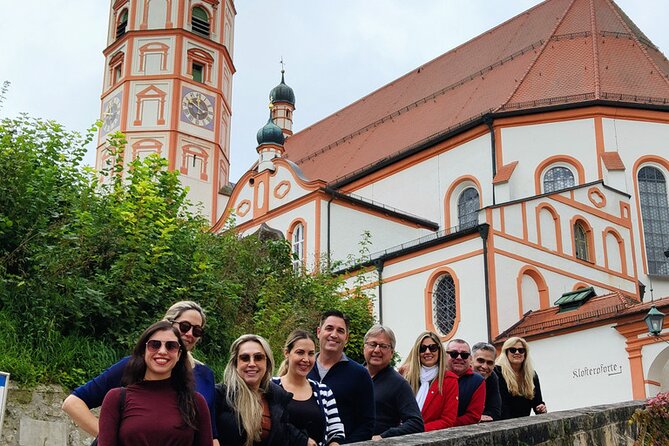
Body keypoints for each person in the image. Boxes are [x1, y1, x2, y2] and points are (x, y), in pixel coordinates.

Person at [62, 301, 218, 444]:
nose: (190, 334)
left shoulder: (205, 377)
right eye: (184, 326)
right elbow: (73, 402)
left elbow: (211, 436)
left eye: (197, 330)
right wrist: (112, 435)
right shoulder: (130, 367)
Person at [98, 320, 212, 445]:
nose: (162, 351)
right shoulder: (116, 398)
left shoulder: (195, 402)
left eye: (171, 346)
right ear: (143, 351)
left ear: (179, 354)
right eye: (155, 345)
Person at [216, 334, 308, 446]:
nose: (252, 364)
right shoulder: (220, 395)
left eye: (258, 357)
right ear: (235, 363)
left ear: (267, 363)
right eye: (245, 358)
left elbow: (286, 434)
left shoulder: (278, 397)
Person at [307, 310, 375, 443]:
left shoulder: (359, 374)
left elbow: (366, 425)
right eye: (329, 328)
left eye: (340, 331)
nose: (334, 335)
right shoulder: (304, 369)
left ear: (346, 337)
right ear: (319, 332)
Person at [273, 329, 345, 446]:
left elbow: (336, 431)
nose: (306, 359)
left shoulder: (324, 391)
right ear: (287, 353)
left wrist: (334, 443)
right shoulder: (272, 387)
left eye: (311, 354)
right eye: (300, 352)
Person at [363, 325, 423, 440]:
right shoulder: (354, 376)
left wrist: (384, 436)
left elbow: (416, 424)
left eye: (383, 346)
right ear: (364, 347)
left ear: (391, 352)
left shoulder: (399, 384)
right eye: (372, 344)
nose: (377, 350)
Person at [402, 331, 458, 431]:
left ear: (439, 350)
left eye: (432, 348)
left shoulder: (449, 380)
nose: (427, 352)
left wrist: (417, 429)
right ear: (417, 352)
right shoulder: (406, 375)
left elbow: (448, 420)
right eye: (422, 348)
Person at [494, 337, 547, 419]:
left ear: (525, 354)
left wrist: (541, 408)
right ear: (506, 352)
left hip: (523, 425)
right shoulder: (497, 372)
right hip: (502, 424)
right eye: (512, 350)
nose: (517, 352)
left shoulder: (532, 375)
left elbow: (537, 402)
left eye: (521, 350)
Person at [444, 339, 486, 426]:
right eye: (454, 354)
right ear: (445, 356)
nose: (459, 358)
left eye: (464, 355)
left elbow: (473, 417)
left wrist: (444, 424)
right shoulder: (434, 376)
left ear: (470, 359)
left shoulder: (477, 381)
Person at [471, 342, 501, 422]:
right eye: (480, 361)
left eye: (489, 363)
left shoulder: (492, 377)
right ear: (471, 360)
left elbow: (495, 411)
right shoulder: (461, 375)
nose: (484, 366)